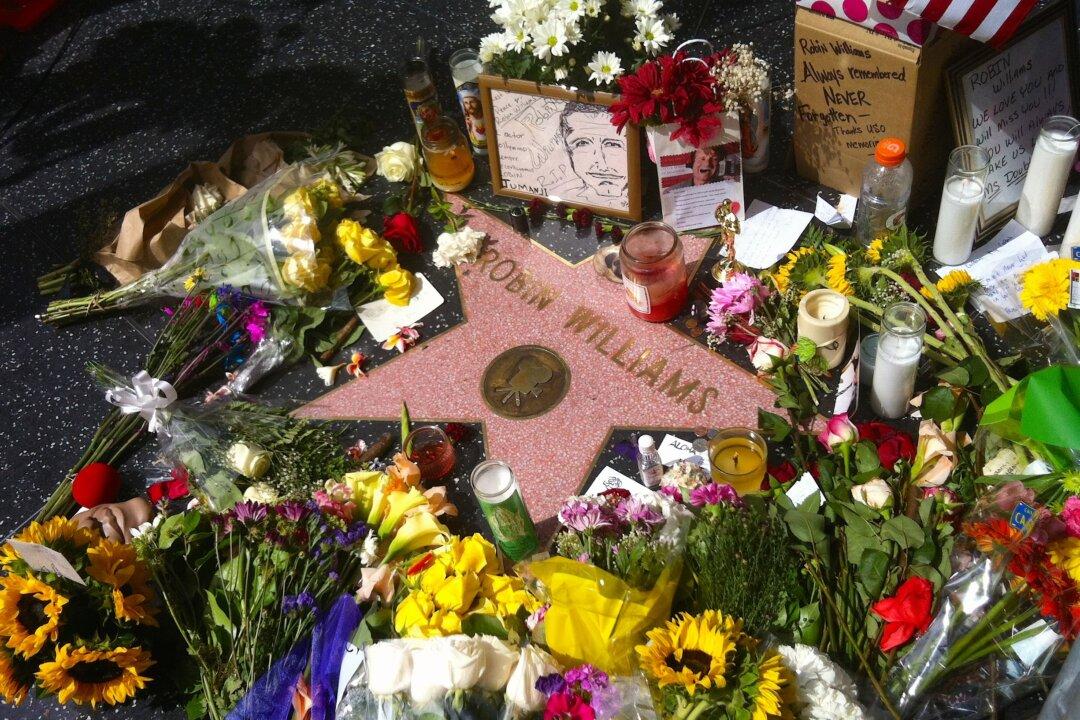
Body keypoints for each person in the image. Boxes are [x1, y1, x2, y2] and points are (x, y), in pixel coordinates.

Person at [548, 102, 628, 205]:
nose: (601, 165)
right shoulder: (562, 199)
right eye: (582, 143)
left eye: (613, 144)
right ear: (568, 149)